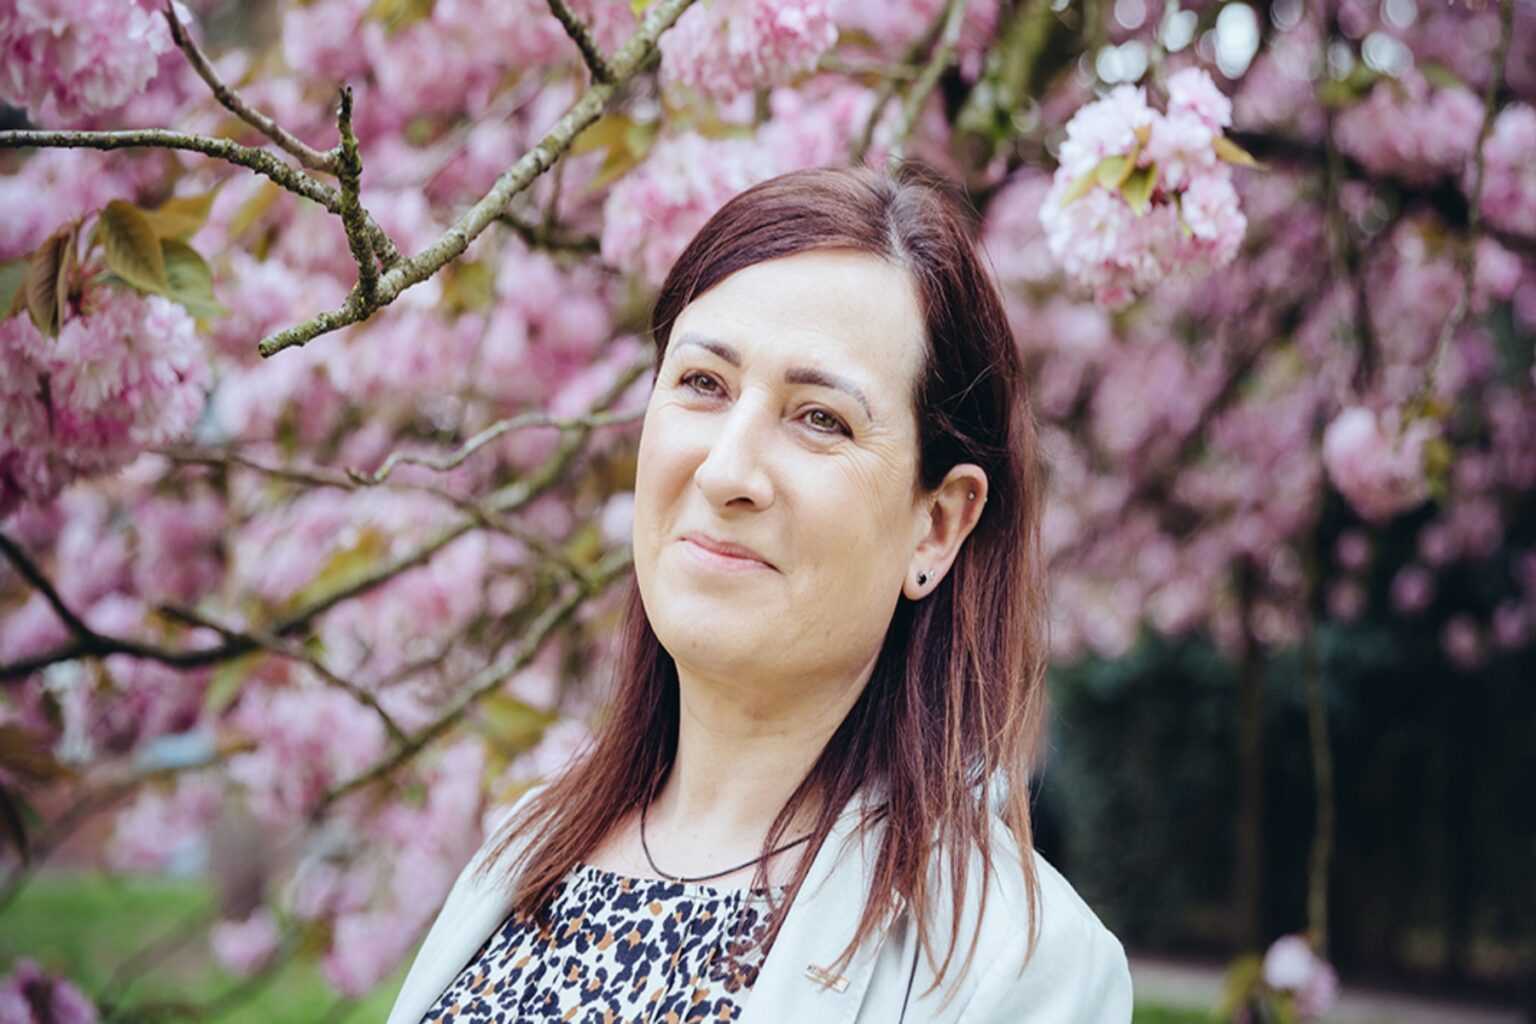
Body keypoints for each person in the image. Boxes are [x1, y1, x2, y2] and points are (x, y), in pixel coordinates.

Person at [386, 161, 1133, 1023]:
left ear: (936, 525)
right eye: (703, 383)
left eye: (821, 418)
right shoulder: (523, 852)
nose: (726, 470)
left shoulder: (1015, 968)